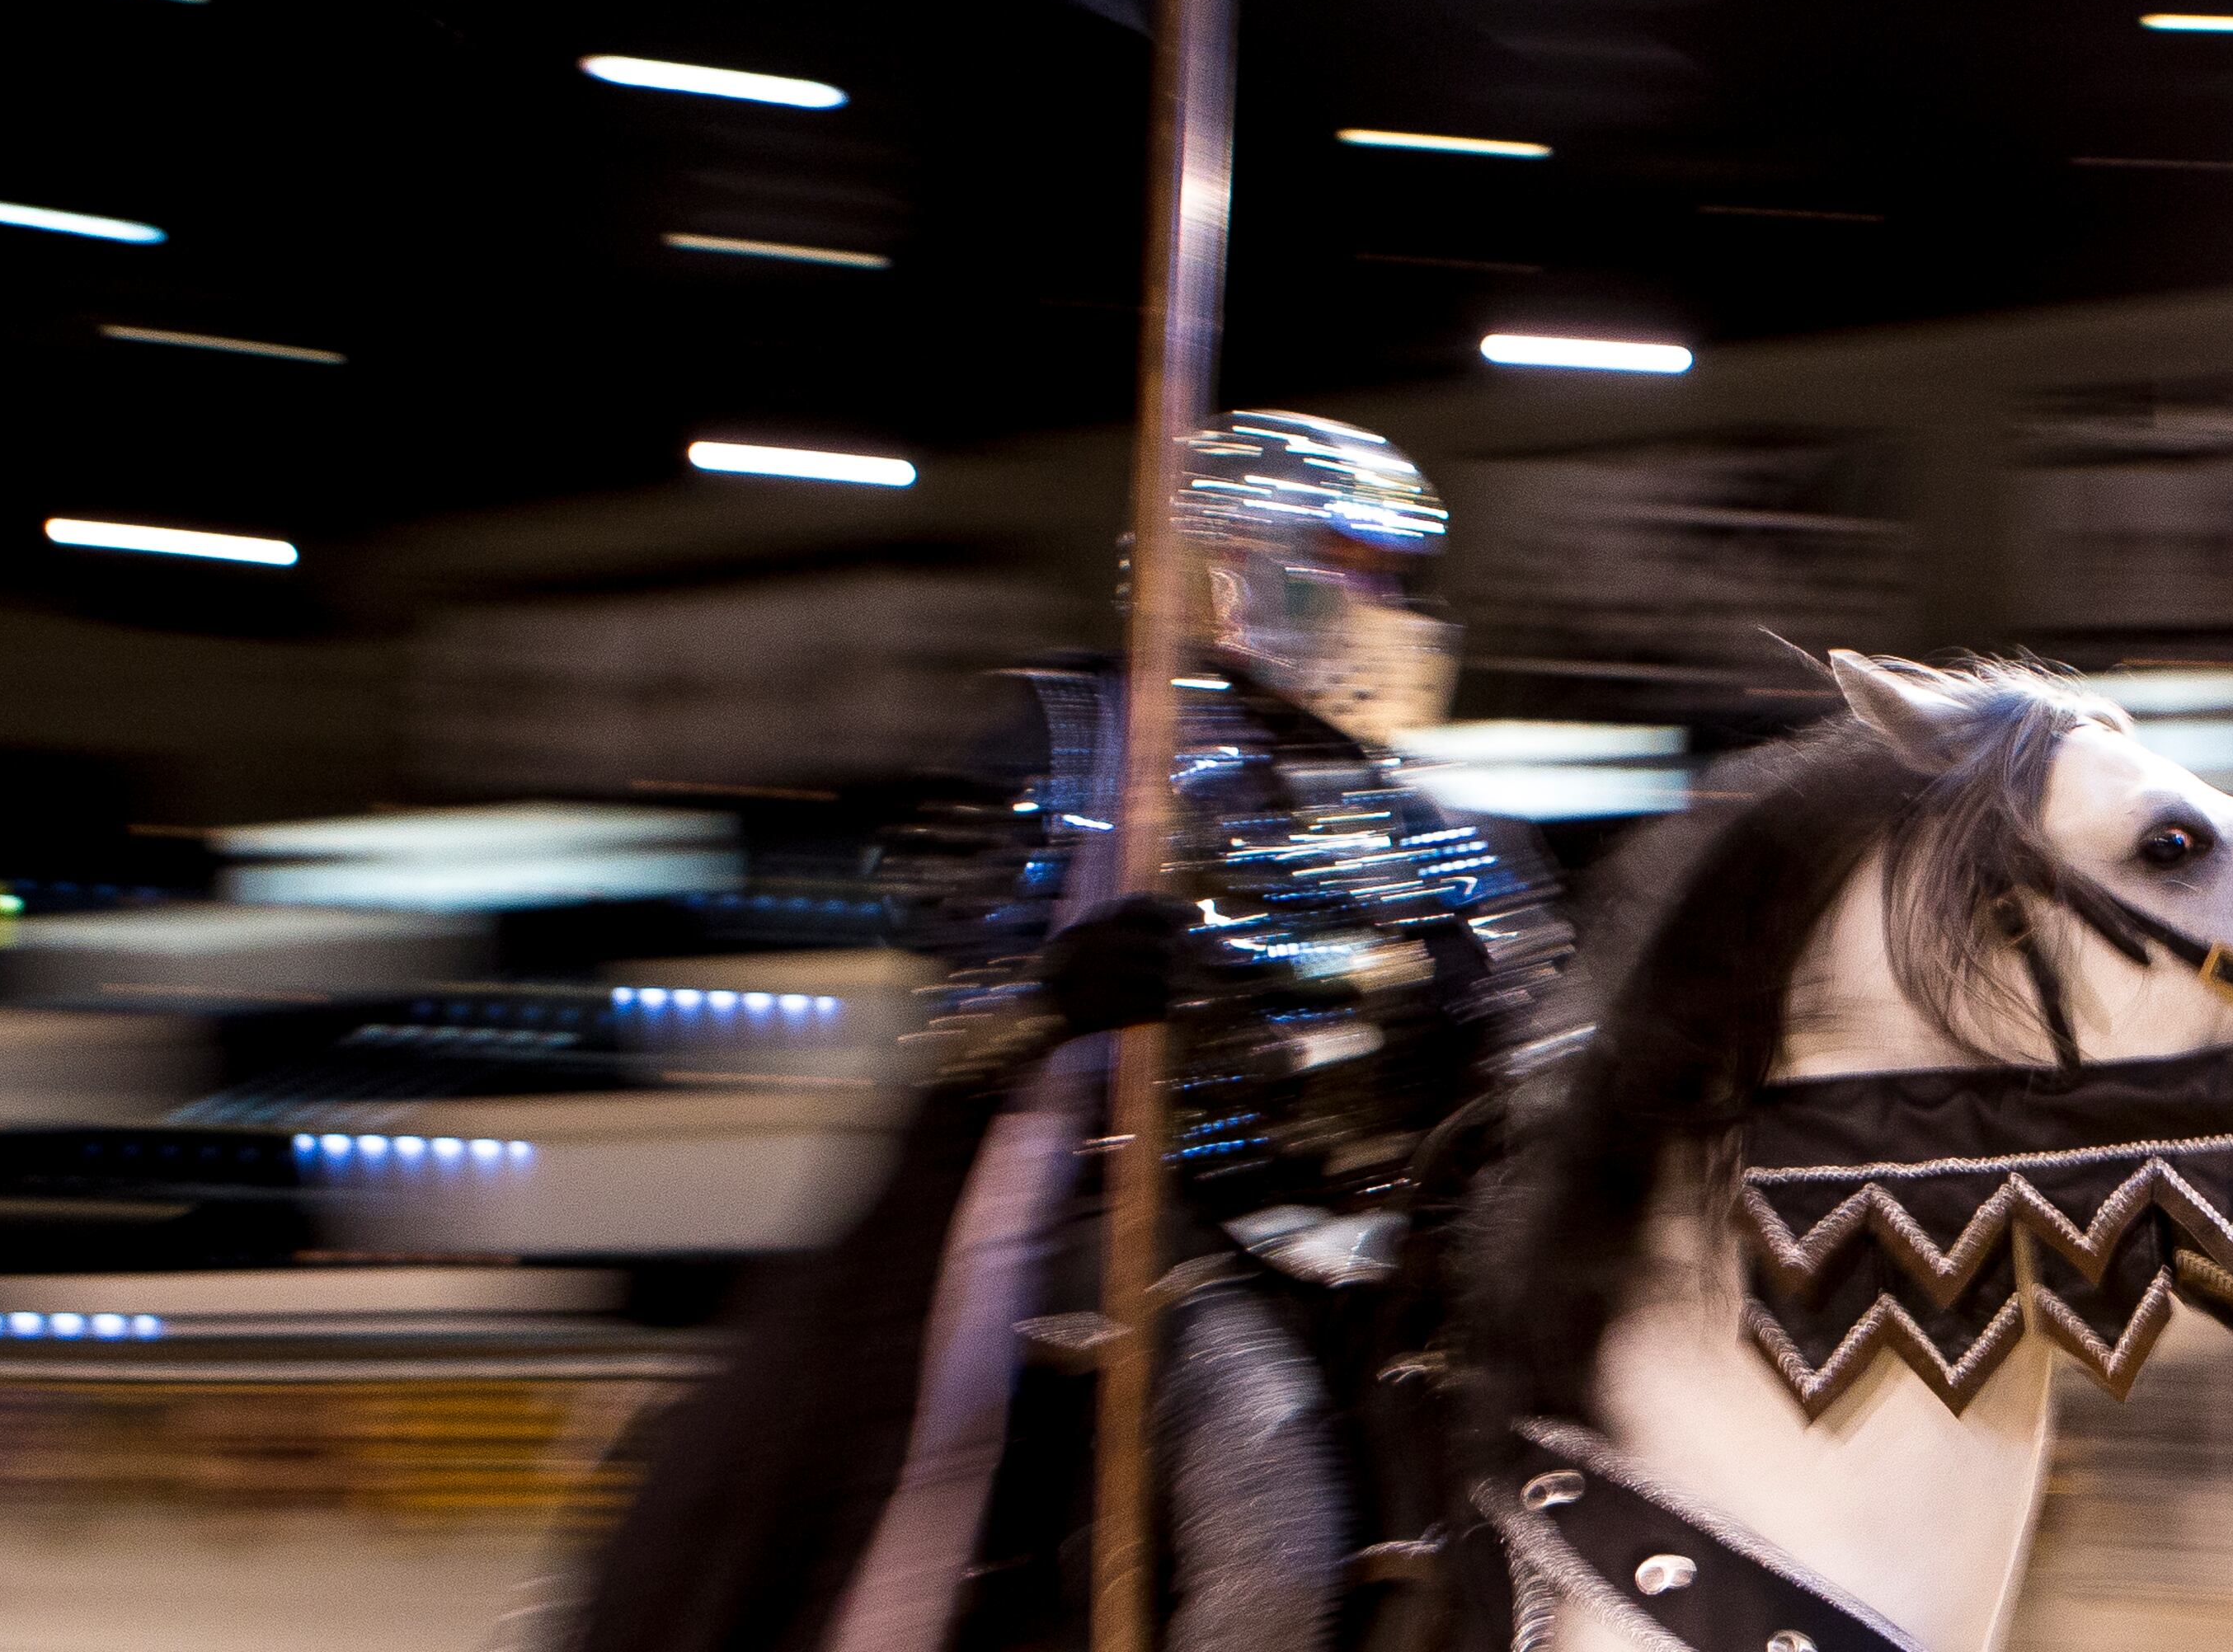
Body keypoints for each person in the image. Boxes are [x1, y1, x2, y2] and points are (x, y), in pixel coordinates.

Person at [577, 412, 1573, 1652]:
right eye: (1360, 565)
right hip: (1147, 1230)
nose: (1396, 604)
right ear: (1240, 566)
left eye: (1400, 575)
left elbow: (1539, 1032)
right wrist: (1063, 992)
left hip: (1412, 1256)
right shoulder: (1081, 738)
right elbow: (959, 1029)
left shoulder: (1439, 815)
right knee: (1269, 1507)